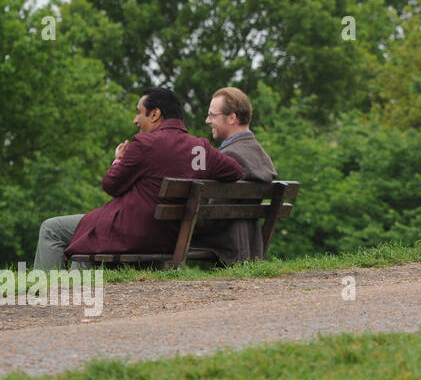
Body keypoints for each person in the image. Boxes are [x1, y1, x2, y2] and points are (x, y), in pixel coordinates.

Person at [35, 88, 243, 268]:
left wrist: (117, 161)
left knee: (51, 229)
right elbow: (235, 171)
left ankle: (44, 292)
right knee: (84, 237)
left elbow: (111, 185)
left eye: (139, 112)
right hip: (171, 238)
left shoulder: (145, 144)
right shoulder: (200, 148)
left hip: (133, 233)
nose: (136, 120)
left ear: (155, 114)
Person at [191, 86, 278, 263]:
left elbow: (213, 219)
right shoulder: (261, 155)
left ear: (232, 118)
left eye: (212, 115)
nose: (207, 121)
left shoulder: (228, 158)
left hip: (225, 243)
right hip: (251, 242)